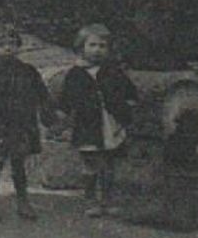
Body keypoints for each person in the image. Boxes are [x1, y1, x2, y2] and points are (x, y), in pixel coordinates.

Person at [0, 25, 56, 223]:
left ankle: (23, 200)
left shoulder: (27, 71)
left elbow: (41, 94)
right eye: (1, 45)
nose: (8, 48)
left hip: (20, 125)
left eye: (12, 44)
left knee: (19, 164)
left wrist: (47, 114)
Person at [56, 24, 139, 217]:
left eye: (102, 46)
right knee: (91, 163)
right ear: (81, 47)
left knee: (109, 164)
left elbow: (129, 92)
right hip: (88, 125)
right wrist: (61, 119)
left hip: (111, 123)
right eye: (92, 45)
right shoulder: (75, 74)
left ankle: (108, 200)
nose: (97, 50)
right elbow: (66, 100)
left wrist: (126, 107)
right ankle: (90, 200)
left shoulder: (113, 71)